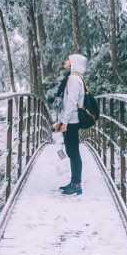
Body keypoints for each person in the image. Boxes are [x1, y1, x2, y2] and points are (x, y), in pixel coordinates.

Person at [53, 53, 87, 195]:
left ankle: (77, 184)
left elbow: (72, 102)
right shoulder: (75, 78)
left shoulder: (73, 79)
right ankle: (74, 182)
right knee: (72, 152)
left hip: (72, 121)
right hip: (71, 120)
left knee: (73, 152)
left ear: (74, 62)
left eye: (69, 59)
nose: (66, 61)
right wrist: (61, 121)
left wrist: (64, 122)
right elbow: (68, 102)